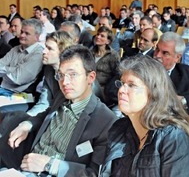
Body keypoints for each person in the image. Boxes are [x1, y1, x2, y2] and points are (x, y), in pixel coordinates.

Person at [0, 45, 117, 176]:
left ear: (90, 77)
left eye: (73, 74)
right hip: (26, 165)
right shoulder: (62, 96)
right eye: (61, 75)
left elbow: (95, 174)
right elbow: (46, 113)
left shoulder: (106, 121)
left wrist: (49, 164)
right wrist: (27, 125)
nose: (64, 82)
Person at [99, 55, 189, 176]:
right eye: (122, 83)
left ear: (153, 92)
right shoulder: (119, 129)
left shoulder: (174, 138)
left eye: (131, 85)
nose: (121, 90)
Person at [0, 31, 74, 114]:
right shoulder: (49, 69)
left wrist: (29, 122)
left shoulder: (71, 75)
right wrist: (28, 119)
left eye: (50, 49)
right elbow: (44, 102)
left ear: (62, 52)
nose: (44, 51)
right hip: (40, 103)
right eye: (45, 47)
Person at [0, 18, 44, 95]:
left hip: (20, 94)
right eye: (22, 32)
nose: (22, 35)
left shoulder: (38, 54)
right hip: (3, 87)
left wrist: (5, 70)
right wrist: (15, 69)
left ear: (37, 36)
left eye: (27, 33)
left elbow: (17, 79)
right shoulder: (15, 48)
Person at [92, 26, 120, 103]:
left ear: (108, 41)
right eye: (97, 34)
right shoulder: (90, 52)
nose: (98, 37)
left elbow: (117, 75)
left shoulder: (113, 56)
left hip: (103, 88)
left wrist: (107, 89)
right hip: (88, 83)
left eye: (102, 36)